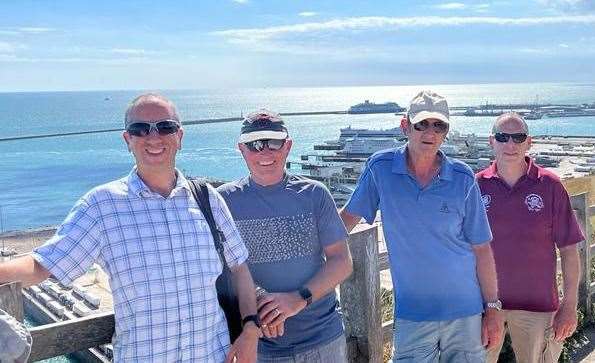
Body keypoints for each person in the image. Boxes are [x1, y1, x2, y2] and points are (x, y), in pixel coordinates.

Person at [0, 93, 261, 363]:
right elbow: (44, 264)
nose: (153, 136)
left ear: (179, 137)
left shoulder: (207, 198)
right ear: (128, 140)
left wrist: (251, 330)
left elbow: (239, 266)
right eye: (140, 129)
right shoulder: (101, 205)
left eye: (165, 126)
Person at [340, 90, 503, 362]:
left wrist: (493, 308)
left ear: (446, 131)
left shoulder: (462, 177)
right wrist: (306, 254)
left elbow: (482, 248)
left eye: (439, 125)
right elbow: (347, 219)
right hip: (412, 314)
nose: (430, 132)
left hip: (466, 312)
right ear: (405, 126)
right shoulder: (380, 168)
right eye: (422, 124)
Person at [217, 109, 353, 362]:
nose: (265, 152)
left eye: (274, 142)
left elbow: (341, 261)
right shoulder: (223, 201)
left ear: (287, 146)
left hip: (323, 339)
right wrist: (260, 304)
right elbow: (222, 269)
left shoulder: (315, 194)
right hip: (260, 346)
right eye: (255, 144)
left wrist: (298, 299)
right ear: (242, 149)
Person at [477, 112, 583, 363]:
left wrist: (569, 305)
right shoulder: (477, 186)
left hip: (538, 306)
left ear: (529, 142)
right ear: (491, 141)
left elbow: (569, 250)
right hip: (486, 307)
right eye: (503, 137)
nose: (510, 144)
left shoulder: (550, 185)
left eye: (518, 137)